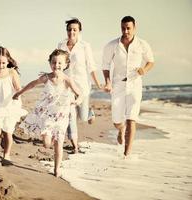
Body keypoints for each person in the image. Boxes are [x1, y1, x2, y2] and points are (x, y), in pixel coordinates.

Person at [13, 49, 82, 177]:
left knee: (59, 143)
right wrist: (19, 92)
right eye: (54, 62)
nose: (57, 65)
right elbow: (33, 84)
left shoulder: (68, 80)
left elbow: (80, 94)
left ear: (66, 65)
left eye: (60, 63)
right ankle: (47, 140)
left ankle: (57, 169)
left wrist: (77, 101)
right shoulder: (46, 78)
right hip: (47, 115)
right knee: (47, 144)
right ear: (50, 63)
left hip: (61, 116)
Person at [102, 16, 154, 157]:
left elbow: (151, 61)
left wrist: (144, 69)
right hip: (118, 85)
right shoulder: (112, 45)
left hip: (135, 84)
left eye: (128, 28)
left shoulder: (142, 44)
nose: (125, 31)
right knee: (117, 121)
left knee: (132, 119)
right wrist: (107, 81)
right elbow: (106, 66)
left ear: (134, 28)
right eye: (123, 28)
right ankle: (120, 129)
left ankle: (127, 154)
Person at [57, 18, 102, 153]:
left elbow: (91, 66)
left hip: (82, 86)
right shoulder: (61, 45)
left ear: (79, 31)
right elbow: (58, 63)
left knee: (82, 117)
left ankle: (89, 112)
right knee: (70, 116)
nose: (72, 32)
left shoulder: (84, 46)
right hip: (66, 85)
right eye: (69, 29)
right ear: (67, 31)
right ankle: (75, 146)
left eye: (74, 30)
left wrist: (97, 83)